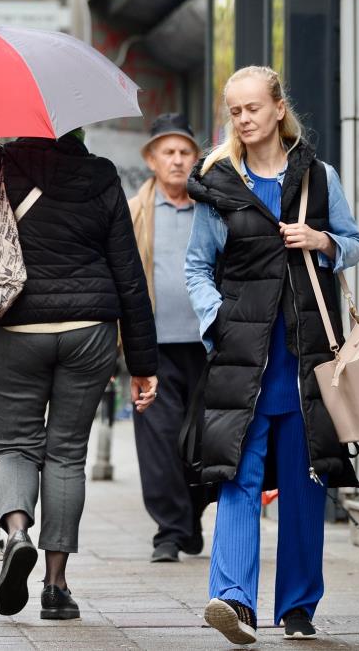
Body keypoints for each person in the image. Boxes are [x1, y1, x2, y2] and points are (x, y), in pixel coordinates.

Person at [185, 66, 359, 644]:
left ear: (279, 108)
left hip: (306, 359)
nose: (243, 119)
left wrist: (323, 241)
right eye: (234, 110)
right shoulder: (217, 181)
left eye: (253, 108)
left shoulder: (318, 177)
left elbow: (354, 243)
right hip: (244, 360)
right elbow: (197, 267)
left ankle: (297, 607)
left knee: (305, 483)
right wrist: (217, 321)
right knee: (237, 476)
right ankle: (233, 600)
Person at [0, 129, 159, 620]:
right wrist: (143, 363)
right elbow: (128, 271)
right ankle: (55, 587)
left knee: (14, 444)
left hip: (17, 327)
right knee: (67, 454)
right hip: (89, 329)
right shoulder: (101, 173)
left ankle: (17, 534)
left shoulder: (1, 164)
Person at [128, 113, 210, 563]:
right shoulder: (134, 211)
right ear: (151, 159)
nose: (177, 160)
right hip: (153, 348)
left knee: (201, 440)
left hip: (209, 346)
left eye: (184, 152)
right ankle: (170, 532)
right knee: (158, 440)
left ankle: (191, 518)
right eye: (168, 152)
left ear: (196, 159)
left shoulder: (211, 208)